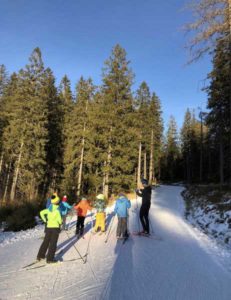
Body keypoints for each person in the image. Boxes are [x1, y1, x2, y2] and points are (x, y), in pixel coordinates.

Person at [37, 194, 62, 264]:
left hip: (48, 227)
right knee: (53, 243)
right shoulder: (57, 210)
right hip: (55, 228)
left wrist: (45, 220)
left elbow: (41, 213)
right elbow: (60, 220)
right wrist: (60, 222)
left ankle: (40, 255)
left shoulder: (49, 209)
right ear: (57, 202)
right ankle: (50, 259)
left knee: (46, 241)